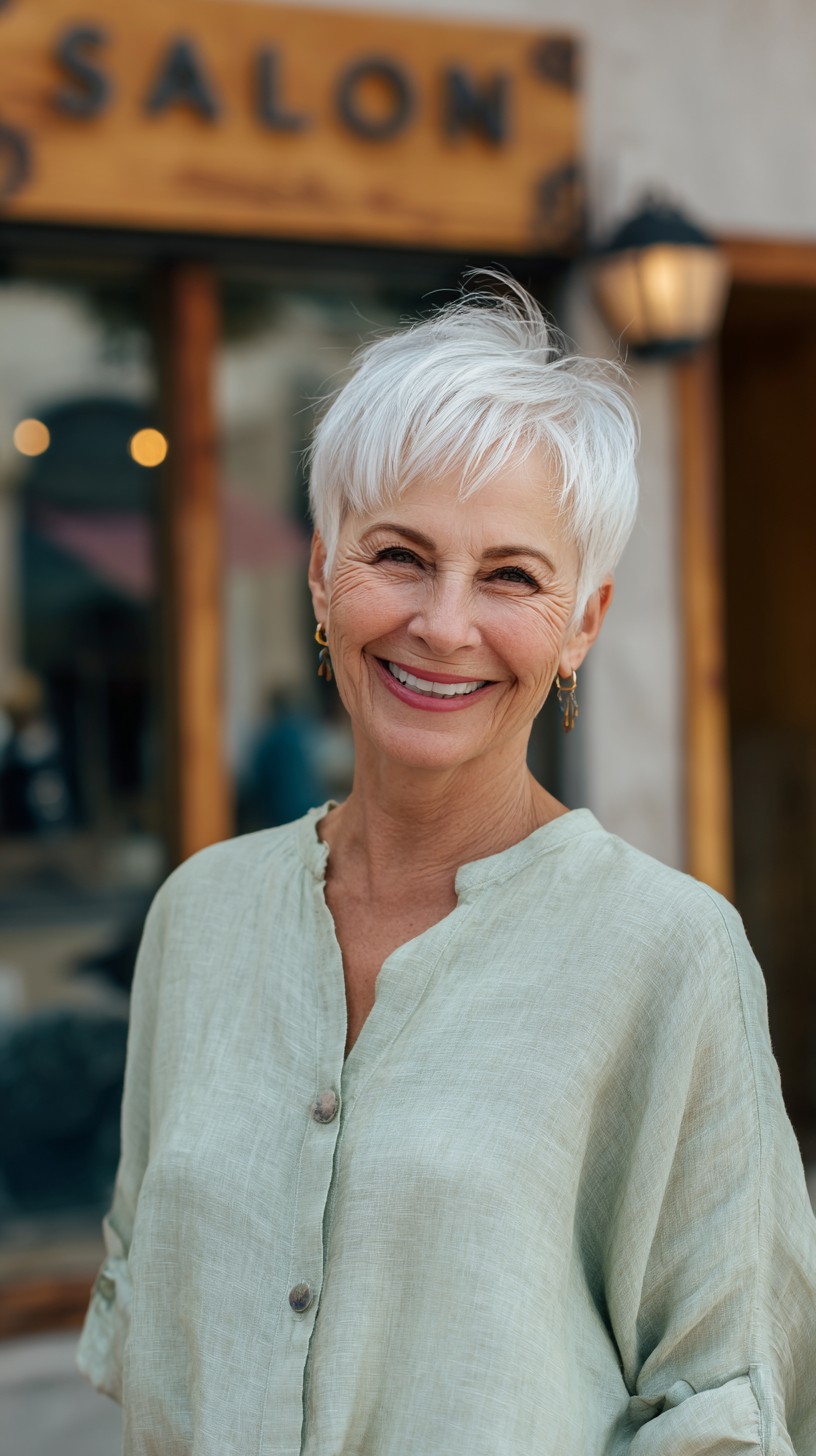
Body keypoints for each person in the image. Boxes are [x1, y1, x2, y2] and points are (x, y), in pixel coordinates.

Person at [77, 276, 816, 1455]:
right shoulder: (198, 919)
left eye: (513, 575)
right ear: (322, 574)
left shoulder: (669, 956)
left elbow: (726, 1404)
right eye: (400, 555)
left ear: (583, 623)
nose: (444, 622)